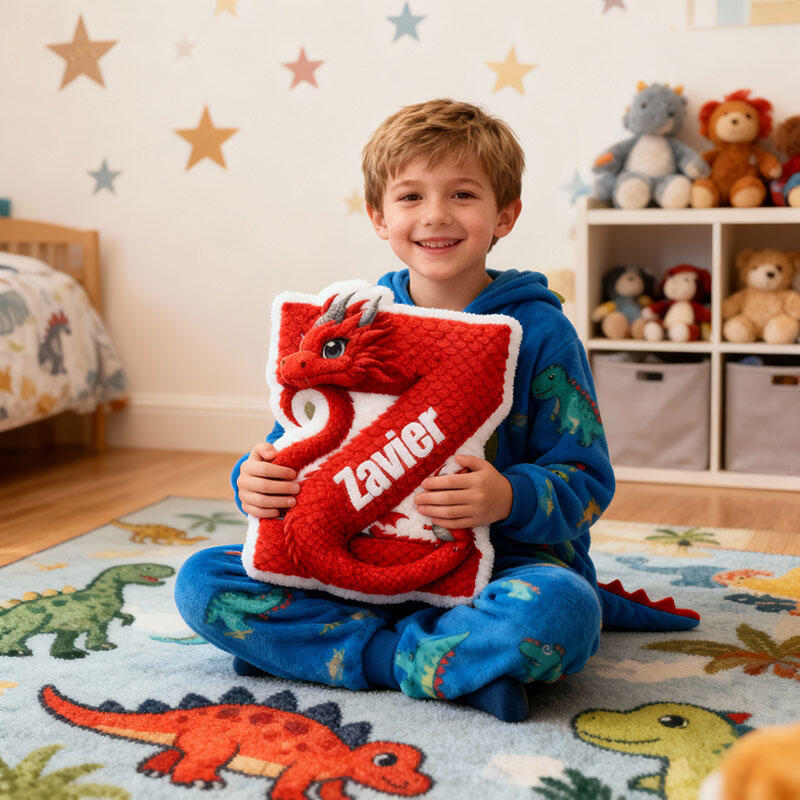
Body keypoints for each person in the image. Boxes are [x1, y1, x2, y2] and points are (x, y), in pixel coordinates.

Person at [175, 99, 615, 722]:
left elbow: (588, 482)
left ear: (505, 215)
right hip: (357, 566)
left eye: (463, 194)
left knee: (563, 610)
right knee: (201, 582)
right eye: (411, 196)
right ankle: (423, 663)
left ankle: (329, 652)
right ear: (379, 217)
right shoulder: (351, 324)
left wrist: (507, 497)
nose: (436, 215)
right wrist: (254, 480)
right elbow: (297, 443)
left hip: (500, 570)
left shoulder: (543, 332)